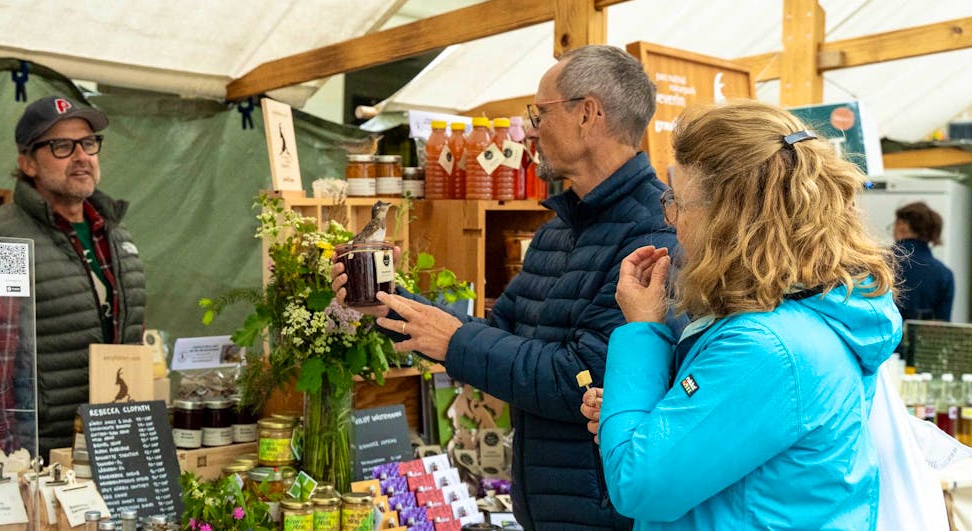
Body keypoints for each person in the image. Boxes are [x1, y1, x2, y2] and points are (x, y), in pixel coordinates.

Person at [334, 45, 677, 529]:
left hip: (606, 512)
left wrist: (452, 340)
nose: (531, 130)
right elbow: (497, 331)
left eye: (540, 112)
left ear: (588, 114)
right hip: (543, 505)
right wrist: (383, 301)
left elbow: (579, 378)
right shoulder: (558, 229)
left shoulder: (654, 234)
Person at [584, 101, 901, 529]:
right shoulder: (800, 318)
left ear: (728, 219)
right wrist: (642, 415)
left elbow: (637, 485)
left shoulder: (767, 348)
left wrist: (642, 329)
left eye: (679, 201)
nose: (673, 220)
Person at [0, 95, 147, 462]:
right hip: (36, 458)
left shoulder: (118, 236)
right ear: (27, 163)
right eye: (61, 146)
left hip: (113, 450)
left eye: (89, 143)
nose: (81, 156)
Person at [893, 201, 955, 321]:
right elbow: (942, 327)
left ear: (902, 225)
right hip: (920, 339)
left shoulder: (879, 262)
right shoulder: (944, 274)